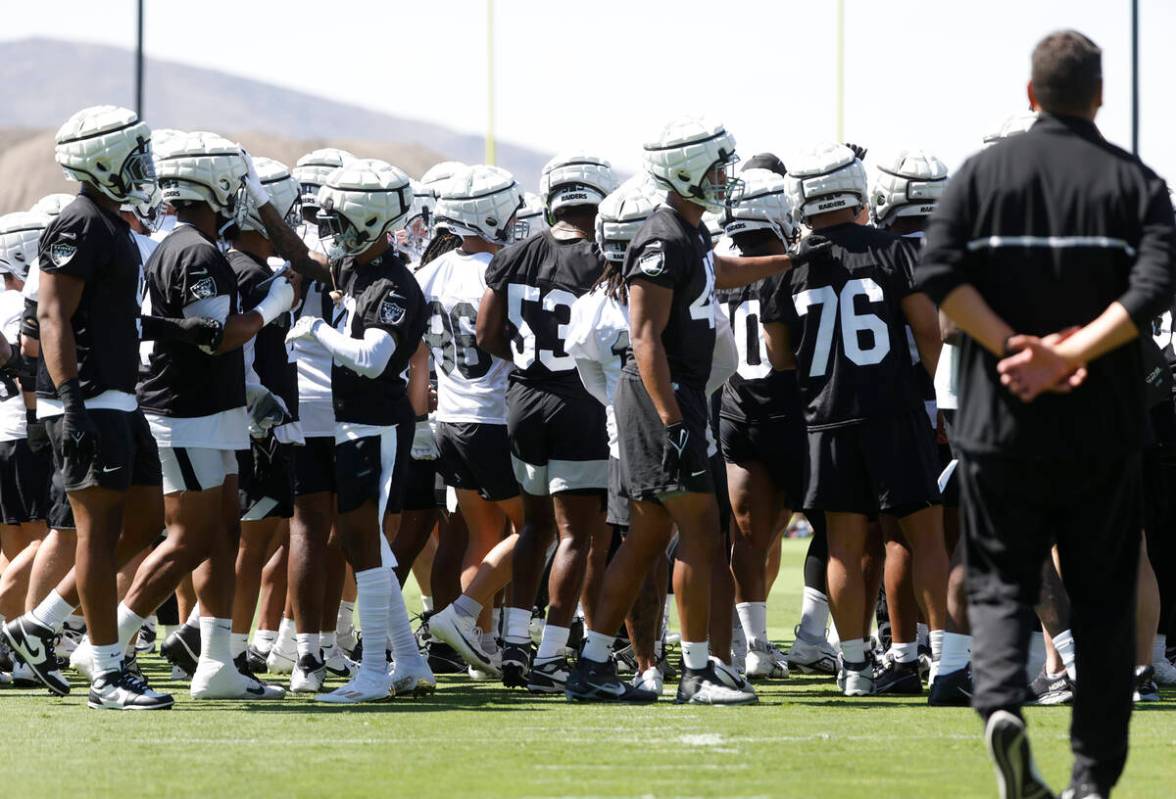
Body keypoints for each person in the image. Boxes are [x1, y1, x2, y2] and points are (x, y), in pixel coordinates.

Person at [917, 30, 1176, 799]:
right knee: (1101, 598)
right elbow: (1154, 289)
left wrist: (1012, 345)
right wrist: (1074, 354)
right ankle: (1091, 780)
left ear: (1031, 96)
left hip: (999, 423)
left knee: (1000, 582)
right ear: (1098, 97)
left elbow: (938, 275)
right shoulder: (1135, 182)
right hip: (1101, 426)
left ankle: (1001, 706)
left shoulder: (981, 174)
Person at [565, 116, 821, 704]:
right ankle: (700, 672)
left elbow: (717, 272)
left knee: (647, 538)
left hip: (671, 396)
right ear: (684, 170)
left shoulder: (689, 234)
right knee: (703, 537)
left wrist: (787, 262)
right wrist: (674, 421)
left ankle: (594, 663)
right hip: (664, 398)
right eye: (716, 165)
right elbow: (645, 336)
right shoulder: (661, 237)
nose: (725, 175)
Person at [762, 142, 949, 698]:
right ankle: (947, 662)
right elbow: (928, 334)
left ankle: (855, 668)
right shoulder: (894, 251)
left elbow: (779, 356)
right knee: (925, 536)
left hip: (827, 419)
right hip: (893, 411)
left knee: (843, 545)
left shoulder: (787, 267)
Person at [3, 106, 174, 710]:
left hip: (118, 398)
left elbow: (106, 313)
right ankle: (105, 673)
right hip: (88, 400)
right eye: (135, 154)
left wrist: (167, 326)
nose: (146, 166)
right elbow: (50, 316)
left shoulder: (111, 222)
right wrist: (71, 403)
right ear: (103, 159)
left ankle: (35, 627)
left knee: (149, 522)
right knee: (97, 537)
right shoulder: (79, 222)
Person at [131, 132, 294, 701]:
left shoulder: (188, 244)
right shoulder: (195, 251)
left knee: (222, 531)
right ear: (218, 185)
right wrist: (272, 306)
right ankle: (106, 644)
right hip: (187, 410)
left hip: (211, 408)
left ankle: (216, 662)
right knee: (189, 536)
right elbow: (218, 338)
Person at [285, 157, 434, 703]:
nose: (332, 233)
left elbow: (374, 357)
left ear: (368, 222)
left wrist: (318, 330)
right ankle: (410, 662)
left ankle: (374, 670)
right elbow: (307, 256)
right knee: (361, 543)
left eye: (341, 221)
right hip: (354, 422)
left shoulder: (394, 284)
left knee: (363, 545)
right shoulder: (361, 269)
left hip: (373, 423)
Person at [476, 152, 618, 691]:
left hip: (523, 399)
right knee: (577, 535)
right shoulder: (606, 257)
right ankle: (554, 653)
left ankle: (515, 645)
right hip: (578, 401)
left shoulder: (516, 253)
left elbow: (486, 334)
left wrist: (525, 364)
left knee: (533, 526)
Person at [415, 165, 526, 680]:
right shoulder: (504, 269)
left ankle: (478, 644)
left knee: (483, 534)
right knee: (538, 529)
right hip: (493, 417)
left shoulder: (428, 272)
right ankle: (464, 619)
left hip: (448, 418)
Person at [223, 157, 311, 688]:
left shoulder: (242, 267)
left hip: (260, 421)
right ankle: (224, 650)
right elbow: (242, 355)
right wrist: (261, 410)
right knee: (250, 545)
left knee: (261, 540)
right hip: (260, 425)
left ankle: (224, 645)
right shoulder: (250, 274)